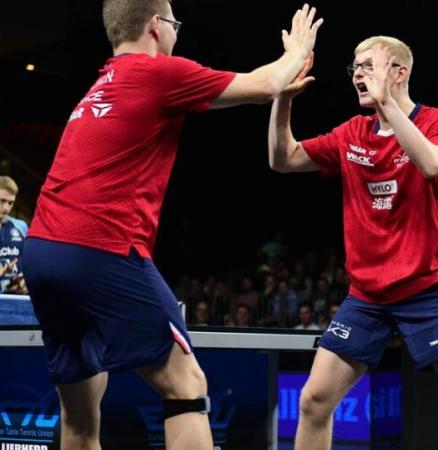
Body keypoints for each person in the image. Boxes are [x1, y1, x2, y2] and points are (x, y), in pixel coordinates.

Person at [22, 2, 322, 450]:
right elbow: (267, 84)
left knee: (81, 419)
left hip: (43, 250)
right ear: (157, 27)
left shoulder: (100, 85)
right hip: (100, 247)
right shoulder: (156, 73)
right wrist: (298, 49)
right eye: (175, 25)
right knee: (187, 386)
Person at [269, 36, 438, 450]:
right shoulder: (351, 134)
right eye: (355, 68)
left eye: (369, 66)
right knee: (313, 400)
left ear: (399, 72)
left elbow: (433, 164)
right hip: (366, 297)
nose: (358, 75)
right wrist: (282, 99)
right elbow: (282, 159)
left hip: (427, 288)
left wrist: (388, 106)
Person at [0, 176, 28, 294]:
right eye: (1, 201)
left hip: (17, 301)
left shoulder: (21, 227)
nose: (6, 208)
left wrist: (26, 282)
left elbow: (28, 263)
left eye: (10, 203)